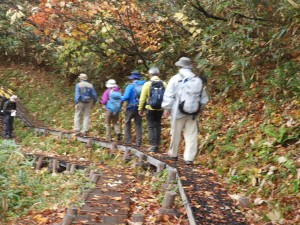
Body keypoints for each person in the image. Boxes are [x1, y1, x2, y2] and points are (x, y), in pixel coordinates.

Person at [162, 57, 209, 165]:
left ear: (179, 66)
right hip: (192, 113)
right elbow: (204, 99)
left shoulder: (175, 79)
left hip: (177, 112)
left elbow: (169, 95)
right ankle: (189, 158)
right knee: (191, 135)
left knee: (175, 133)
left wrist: (167, 108)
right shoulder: (197, 80)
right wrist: (198, 109)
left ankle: (174, 154)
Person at [138, 67, 167, 152]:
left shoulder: (147, 84)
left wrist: (140, 109)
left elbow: (142, 98)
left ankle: (152, 145)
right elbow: (168, 96)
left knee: (151, 126)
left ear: (149, 75)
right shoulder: (164, 84)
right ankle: (157, 145)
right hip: (160, 108)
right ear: (158, 74)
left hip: (150, 108)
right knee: (157, 126)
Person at [121, 71, 145, 147]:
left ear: (132, 78)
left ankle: (128, 141)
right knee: (138, 124)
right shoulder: (144, 85)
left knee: (127, 123)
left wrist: (119, 97)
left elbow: (125, 97)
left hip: (130, 107)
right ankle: (138, 142)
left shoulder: (130, 86)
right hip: (140, 108)